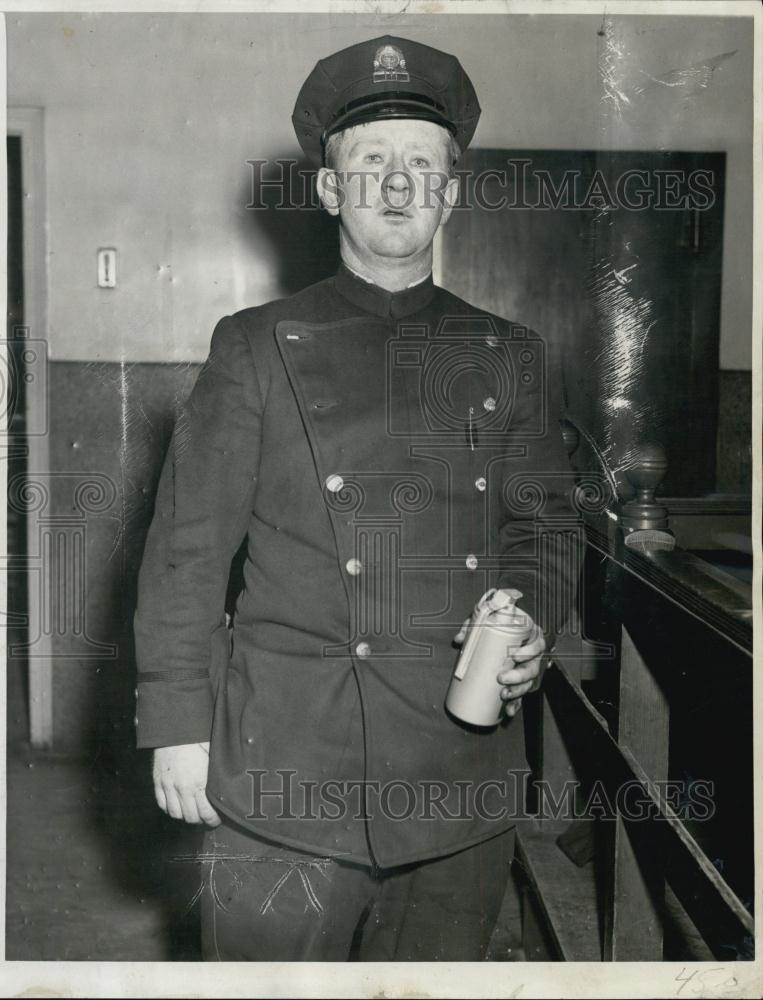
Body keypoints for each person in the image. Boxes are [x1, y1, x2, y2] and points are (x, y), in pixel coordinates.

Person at [134, 34, 582, 961]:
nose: (395, 184)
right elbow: (185, 551)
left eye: (420, 164)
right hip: (287, 770)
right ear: (330, 189)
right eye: (369, 161)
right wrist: (175, 725)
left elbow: (542, 529)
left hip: (456, 768)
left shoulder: (510, 354)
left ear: (449, 193)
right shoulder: (253, 346)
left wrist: (531, 619)